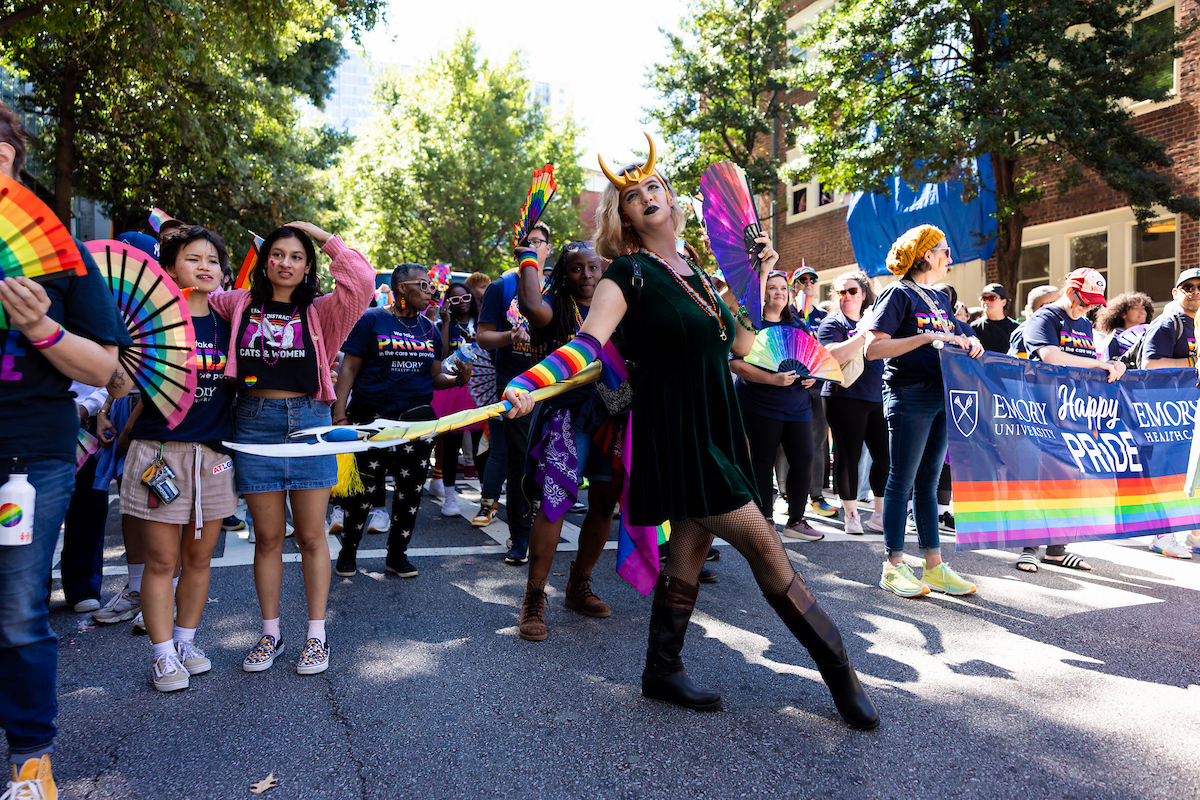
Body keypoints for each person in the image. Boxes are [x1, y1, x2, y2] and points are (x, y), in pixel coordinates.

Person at [502, 137, 877, 730]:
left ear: (672, 201)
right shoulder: (627, 273)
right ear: (622, 217)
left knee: (690, 549)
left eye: (654, 187)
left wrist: (757, 278)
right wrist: (530, 382)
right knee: (768, 549)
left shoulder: (696, 275)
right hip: (678, 435)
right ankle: (840, 672)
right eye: (631, 196)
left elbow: (744, 344)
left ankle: (661, 668)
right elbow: (587, 343)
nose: (646, 196)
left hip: (717, 427)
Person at [0, 101, 132, 797]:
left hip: (28, 455)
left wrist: (41, 329)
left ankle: (30, 759)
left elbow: (104, 367)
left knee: (18, 607)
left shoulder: (61, 256)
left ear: (15, 163)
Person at [212, 222, 374, 677]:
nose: (286, 263)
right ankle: (271, 633)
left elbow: (362, 281)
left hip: (310, 425)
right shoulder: (240, 302)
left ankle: (316, 637)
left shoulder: (324, 311)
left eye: (297, 256)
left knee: (311, 536)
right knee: (266, 538)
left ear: (308, 267)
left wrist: (320, 234)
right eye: (278, 254)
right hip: (253, 424)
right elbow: (197, 291)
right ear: (266, 261)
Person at [119, 226, 239, 692]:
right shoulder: (150, 325)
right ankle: (163, 655)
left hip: (213, 458)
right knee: (162, 561)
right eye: (193, 258)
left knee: (199, 558)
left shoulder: (228, 329)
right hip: (160, 455)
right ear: (169, 268)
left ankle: (188, 642)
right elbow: (125, 385)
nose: (205, 266)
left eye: (213, 259)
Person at [866, 224, 984, 598]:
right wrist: (928, 338)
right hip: (908, 393)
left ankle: (933, 566)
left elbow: (950, 336)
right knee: (901, 481)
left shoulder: (939, 299)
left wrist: (967, 340)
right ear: (928, 255)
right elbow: (873, 348)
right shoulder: (896, 293)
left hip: (940, 394)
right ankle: (893, 565)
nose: (950, 258)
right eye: (945, 252)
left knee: (929, 484)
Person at [332, 265, 469, 579]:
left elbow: (434, 376)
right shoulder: (372, 320)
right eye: (423, 284)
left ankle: (397, 555)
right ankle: (348, 552)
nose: (431, 290)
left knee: (411, 492)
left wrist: (458, 379)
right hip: (373, 419)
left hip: (417, 422)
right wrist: (340, 415)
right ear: (400, 288)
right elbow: (349, 369)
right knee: (362, 491)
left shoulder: (430, 329)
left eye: (431, 284)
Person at [509, 241, 617, 641]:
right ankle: (533, 598)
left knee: (606, 500)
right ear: (563, 274)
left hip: (615, 413)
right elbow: (532, 305)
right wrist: (529, 257)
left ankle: (578, 585)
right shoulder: (555, 307)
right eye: (576, 269)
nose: (587, 276)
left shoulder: (617, 302)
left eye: (593, 268)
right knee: (555, 502)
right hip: (566, 415)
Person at [1015, 268, 1125, 572]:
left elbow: (1089, 366)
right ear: (1071, 290)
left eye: (1093, 302)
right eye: (1084, 299)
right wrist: (1098, 363)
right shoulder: (1045, 318)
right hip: (1040, 410)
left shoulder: (1084, 323)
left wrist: (1112, 366)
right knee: (1040, 478)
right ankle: (1029, 547)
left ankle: (1057, 548)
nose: (1088, 306)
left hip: (1074, 411)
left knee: (1069, 479)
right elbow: (1049, 355)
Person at [477, 222, 552, 564]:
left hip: (556, 389)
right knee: (520, 461)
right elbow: (483, 336)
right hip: (516, 389)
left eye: (540, 242)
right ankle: (519, 537)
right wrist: (511, 337)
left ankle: (545, 526)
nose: (534, 247)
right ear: (518, 252)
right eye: (528, 243)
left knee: (549, 462)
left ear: (548, 249)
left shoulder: (557, 287)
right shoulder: (501, 286)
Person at [729, 271, 820, 541]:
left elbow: (812, 358)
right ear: (762, 293)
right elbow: (736, 364)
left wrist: (812, 374)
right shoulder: (750, 323)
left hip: (797, 406)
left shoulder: (799, 325)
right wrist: (772, 379)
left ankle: (796, 520)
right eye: (772, 287)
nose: (779, 292)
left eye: (783, 288)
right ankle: (764, 520)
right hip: (760, 404)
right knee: (762, 461)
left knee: (804, 460)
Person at [818, 271, 889, 534]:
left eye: (852, 291)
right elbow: (833, 355)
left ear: (863, 295)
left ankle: (879, 515)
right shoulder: (832, 324)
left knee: (884, 457)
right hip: (844, 397)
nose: (847, 296)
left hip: (877, 396)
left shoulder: (875, 321)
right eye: (841, 292)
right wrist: (862, 334)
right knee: (849, 456)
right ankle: (851, 514)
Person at [1141, 269, 1200, 559]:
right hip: (1167, 413)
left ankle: (1194, 533)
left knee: (1193, 473)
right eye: (1188, 286)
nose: (1195, 291)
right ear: (1176, 293)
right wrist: (1192, 361)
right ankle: (1162, 536)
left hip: (1194, 412)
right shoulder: (1168, 323)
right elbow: (1149, 365)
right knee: (1170, 474)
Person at [427, 282, 483, 518]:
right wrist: (446, 322)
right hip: (451, 389)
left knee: (482, 446)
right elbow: (439, 360)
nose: (462, 303)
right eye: (455, 300)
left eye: (466, 297)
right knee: (450, 445)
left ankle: (486, 498)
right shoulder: (441, 326)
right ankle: (449, 498)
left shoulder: (483, 324)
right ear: (447, 303)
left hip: (479, 388)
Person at [790, 265, 835, 520]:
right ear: (794, 284)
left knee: (818, 442)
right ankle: (786, 495)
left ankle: (817, 495)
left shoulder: (824, 317)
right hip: (791, 385)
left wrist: (815, 374)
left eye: (813, 279)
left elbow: (827, 352)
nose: (808, 283)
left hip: (817, 385)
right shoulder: (786, 314)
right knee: (788, 444)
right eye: (802, 279)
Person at [1095, 291, 1155, 359]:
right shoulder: (1113, 339)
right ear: (1123, 314)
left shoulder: (1149, 333)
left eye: (1143, 308)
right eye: (1136, 308)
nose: (1142, 312)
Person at [1008, 285, 1062, 358]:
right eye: (1051, 305)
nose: (1058, 309)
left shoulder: (1061, 328)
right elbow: (1021, 366)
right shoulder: (1022, 333)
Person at [970, 283, 1018, 353]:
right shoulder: (975, 327)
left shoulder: (1015, 328)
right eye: (983, 298)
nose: (986, 301)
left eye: (991, 298)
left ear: (1004, 302)